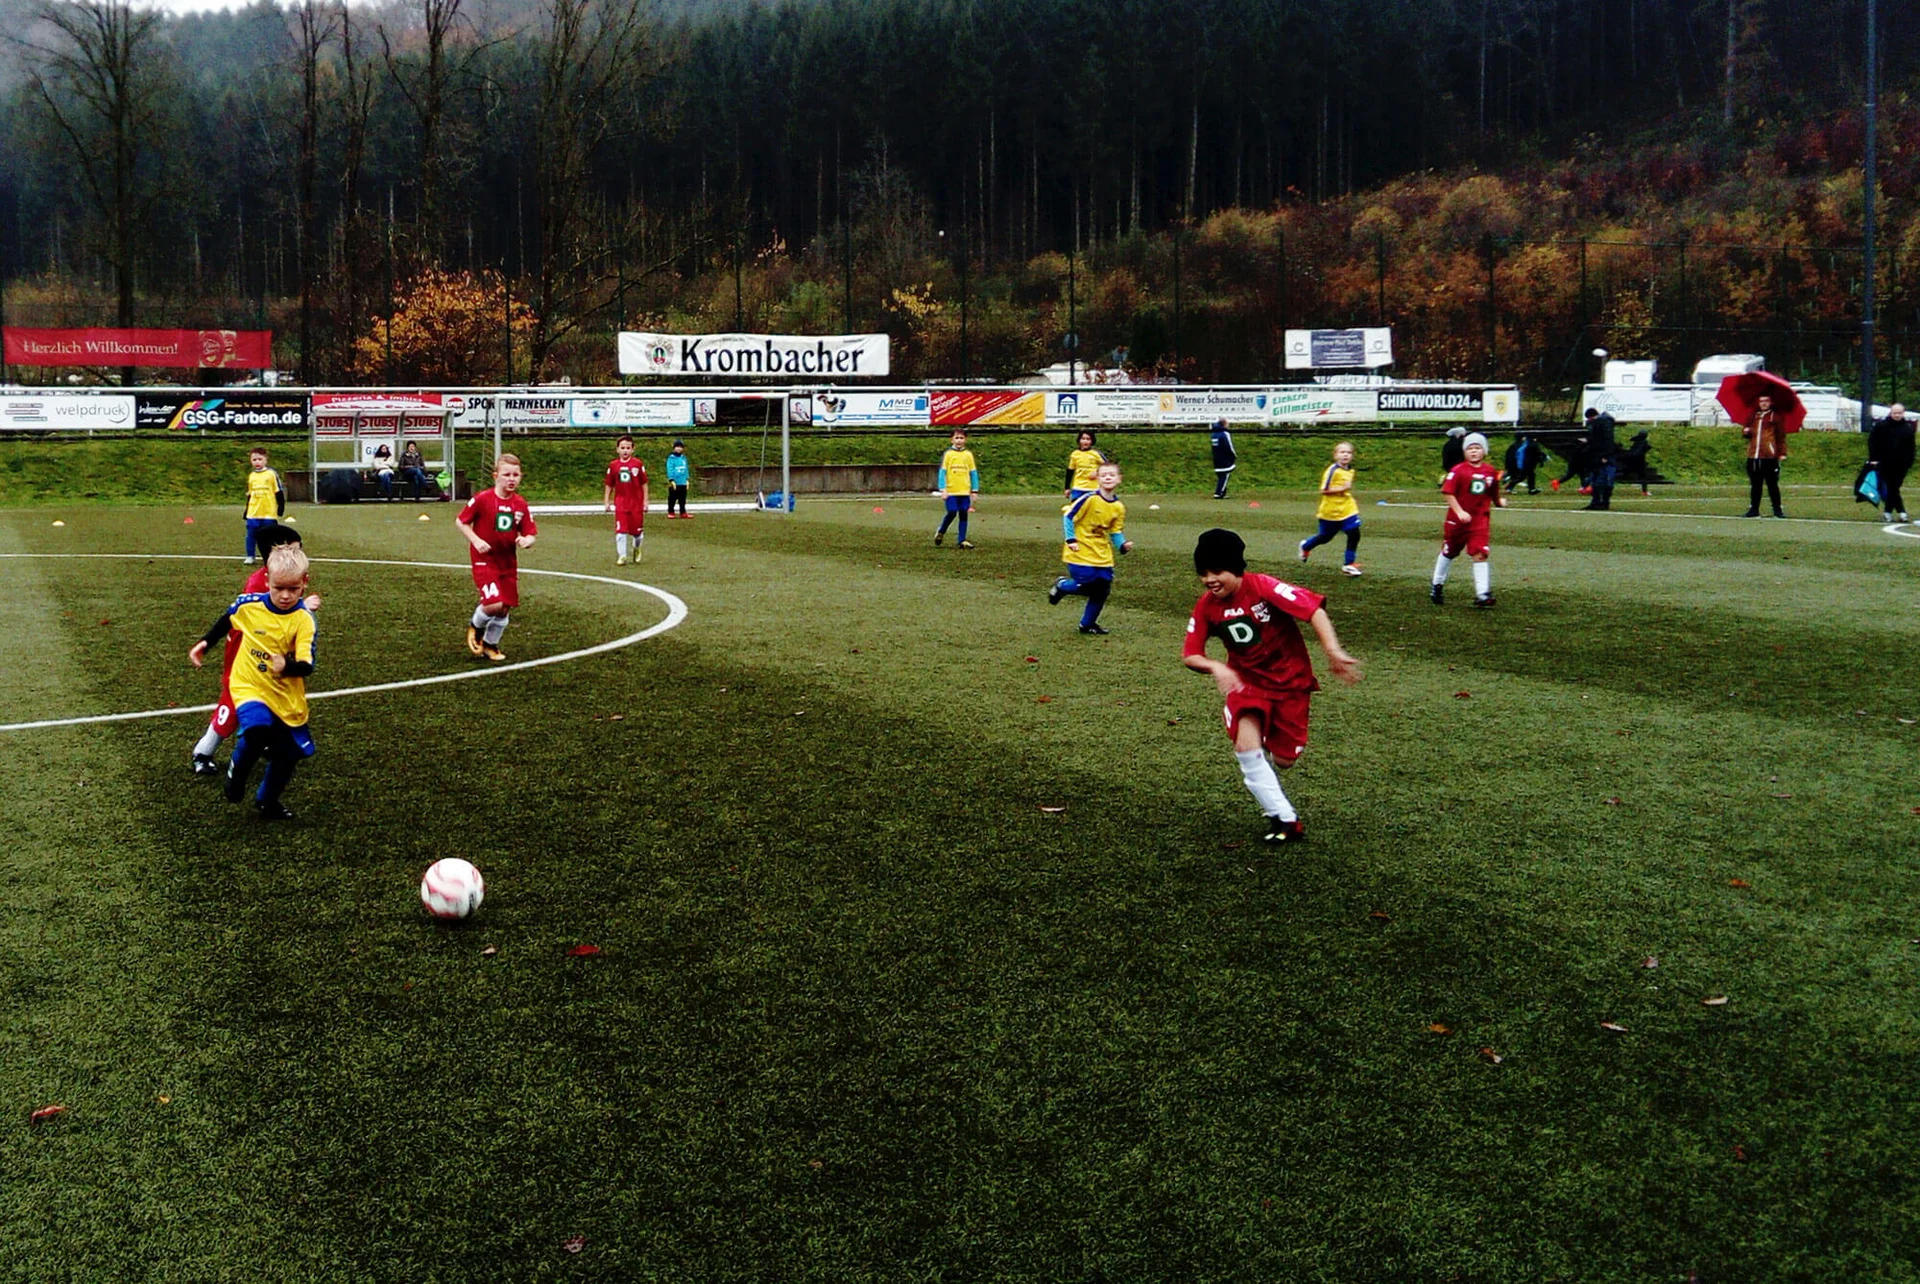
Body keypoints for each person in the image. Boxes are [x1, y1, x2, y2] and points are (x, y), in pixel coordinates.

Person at [1182, 527, 1361, 844]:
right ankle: (1285, 819)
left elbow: (1313, 610)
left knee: (1284, 760)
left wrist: (1332, 650)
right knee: (1246, 747)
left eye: (1218, 571)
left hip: (1290, 684)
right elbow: (1191, 654)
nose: (1210, 579)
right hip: (1247, 684)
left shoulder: (1263, 587)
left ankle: (1271, 741)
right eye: (1204, 573)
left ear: (1236, 567)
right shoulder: (1206, 606)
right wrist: (1216, 666)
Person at [189, 543, 318, 821]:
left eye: (293, 589)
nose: (286, 595)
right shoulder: (249, 605)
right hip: (248, 685)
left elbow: (307, 665)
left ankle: (267, 801)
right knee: (257, 728)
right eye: (279, 588)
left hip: (284, 695)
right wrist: (205, 643)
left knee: (288, 755)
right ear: (267, 580)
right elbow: (227, 620)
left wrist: (288, 666)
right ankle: (236, 774)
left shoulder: (304, 620)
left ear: (305, 583)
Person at [458, 454, 538, 661]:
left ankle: (490, 644)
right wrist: (476, 540)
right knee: (493, 603)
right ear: (496, 476)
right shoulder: (483, 499)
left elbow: (530, 532)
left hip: (508, 562)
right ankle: (476, 626)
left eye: (515, 475)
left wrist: (527, 540)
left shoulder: (520, 504)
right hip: (484, 559)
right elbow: (461, 521)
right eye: (506, 475)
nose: (511, 479)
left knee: (504, 608)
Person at [1049, 461, 1132, 634]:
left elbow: (1115, 531)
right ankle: (1062, 585)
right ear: (1098, 479)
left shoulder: (1118, 507)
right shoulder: (1089, 499)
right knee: (1086, 584)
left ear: (1119, 479)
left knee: (1102, 589)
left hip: (1102, 554)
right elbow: (1068, 516)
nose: (1108, 478)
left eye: (1112, 475)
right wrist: (1071, 539)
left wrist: (1122, 545)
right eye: (1104, 475)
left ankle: (1087, 624)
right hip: (1080, 550)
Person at [1431, 431, 1505, 608]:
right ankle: (1437, 584)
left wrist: (1499, 502)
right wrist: (1459, 511)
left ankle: (1482, 593)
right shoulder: (1458, 471)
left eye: (1477, 448)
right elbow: (1447, 492)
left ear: (1484, 451)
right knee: (1449, 551)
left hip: (1479, 521)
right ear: (1464, 452)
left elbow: (1493, 491)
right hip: (1457, 522)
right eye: (1470, 448)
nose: (1473, 451)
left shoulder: (1490, 471)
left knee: (1480, 553)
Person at [1297, 440, 1363, 576]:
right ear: (1335, 455)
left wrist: (1345, 492)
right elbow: (1324, 490)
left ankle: (1349, 564)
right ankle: (1306, 546)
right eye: (1342, 452)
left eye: (1349, 452)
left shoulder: (1350, 469)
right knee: (1325, 537)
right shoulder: (1332, 470)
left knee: (1354, 533)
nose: (1345, 455)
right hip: (1331, 510)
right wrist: (1342, 488)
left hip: (1347, 508)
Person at [603, 434, 649, 564]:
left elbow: (644, 483)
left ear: (633, 449)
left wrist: (645, 501)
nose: (625, 451)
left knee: (637, 533)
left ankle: (637, 548)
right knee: (621, 531)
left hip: (636, 503)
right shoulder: (613, 466)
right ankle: (622, 556)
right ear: (617, 449)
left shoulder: (637, 464)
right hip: (621, 503)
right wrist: (606, 501)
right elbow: (609, 484)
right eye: (622, 448)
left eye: (628, 448)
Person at [1741, 392, 1788, 518]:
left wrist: (1782, 452)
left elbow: (1780, 436)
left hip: (1769, 456)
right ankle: (1754, 509)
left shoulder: (1775, 417)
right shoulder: (1753, 416)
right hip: (1754, 455)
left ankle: (1777, 510)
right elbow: (1747, 432)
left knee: (1772, 485)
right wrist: (1746, 431)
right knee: (1755, 485)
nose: (1764, 403)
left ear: (1770, 402)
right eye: (1761, 401)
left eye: (1766, 401)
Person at [1868, 403, 1914, 523]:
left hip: (1901, 464)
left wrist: (1909, 462)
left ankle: (1891, 512)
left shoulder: (1907, 428)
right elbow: (1872, 442)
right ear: (1891, 413)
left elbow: (1911, 448)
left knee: (1894, 488)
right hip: (1884, 462)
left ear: (1903, 413)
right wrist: (1873, 458)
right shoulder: (1881, 426)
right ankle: (1899, 513)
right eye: (1895, 413)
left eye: (1899, 413)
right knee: (1892, 487)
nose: (1897, 415)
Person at [933, 429, 979, 548]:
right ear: (952, 440)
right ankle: (941, 531)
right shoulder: (948, 454)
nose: (959, 441)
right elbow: (942, 472)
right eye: (957, 438)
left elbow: (973, 473)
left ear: (965, 440)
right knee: (952, 511)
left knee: (963, 514)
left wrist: (974, 490)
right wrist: (943, 489)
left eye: (961, 438)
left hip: (964, 490)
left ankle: (961, 540)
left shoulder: (968, 455)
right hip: (951, 491)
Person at [241, 447, 284, 563]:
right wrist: (247, 510)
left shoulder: (271, 474)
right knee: (251, 534)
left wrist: (281, 506)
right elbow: (250, 494)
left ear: (266, 460)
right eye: (254, 460)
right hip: (253, 512)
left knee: (270, 535)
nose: (257, 462)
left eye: (260, 459)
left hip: (268, 512)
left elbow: (278, 491)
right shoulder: (251, 476)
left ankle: (271, 557)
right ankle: (250, 556)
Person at [1580, 408, 1618, 510]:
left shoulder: (1602, 423)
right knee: (1599, 480)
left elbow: (1606, 440)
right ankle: (1600, 502)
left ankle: (1600, 502)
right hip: (1602, 455)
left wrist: (1605, 455)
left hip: (1603, 456)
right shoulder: (1605, 423)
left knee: (1602, 480)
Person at [1064, 430, 1108, 499]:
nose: (1085, 441)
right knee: (1077, 505)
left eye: (1088, 439)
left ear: (1092, 441)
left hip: (1093, 488)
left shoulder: (1096, 454)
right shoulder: (1075, 454)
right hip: (1078, 487)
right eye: (1083, 439)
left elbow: (1108, 466)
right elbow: (1070, 471)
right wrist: (1067, 488)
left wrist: (1098, 472)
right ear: (1079, 440)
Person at [1617, 430, 1656, 497]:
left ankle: (1606, 487)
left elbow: (1633, 443)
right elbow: (1638, 452)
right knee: (1643, 477)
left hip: (1632, 463)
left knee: (1624, 475)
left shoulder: (1638, 442)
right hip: (1639, 463)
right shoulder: (1643, 443)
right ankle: (1644, 491)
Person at [664, 439, 692, 518]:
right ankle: (671, 512)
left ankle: (683, 512)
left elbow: (686, 469)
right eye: (677, 447)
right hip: (675, 482)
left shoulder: (683, 458)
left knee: (682, 499)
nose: (679, 449)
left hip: (682, 481)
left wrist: (687, 479)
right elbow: (670, 469)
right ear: (674, 448)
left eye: (680, 447)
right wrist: (671, 480)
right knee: (672, 498)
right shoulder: (671, 458)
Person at [1210, 419, 1236, 499]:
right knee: (1225, 475)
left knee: (1221, 476)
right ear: (1224, 424)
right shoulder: (1225, 434)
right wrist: (1233, 455)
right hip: (1225, 458)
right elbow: (1229, 446)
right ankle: (1218, 493)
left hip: (1216, 458)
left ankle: (1222, 492)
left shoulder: (1214, 434)